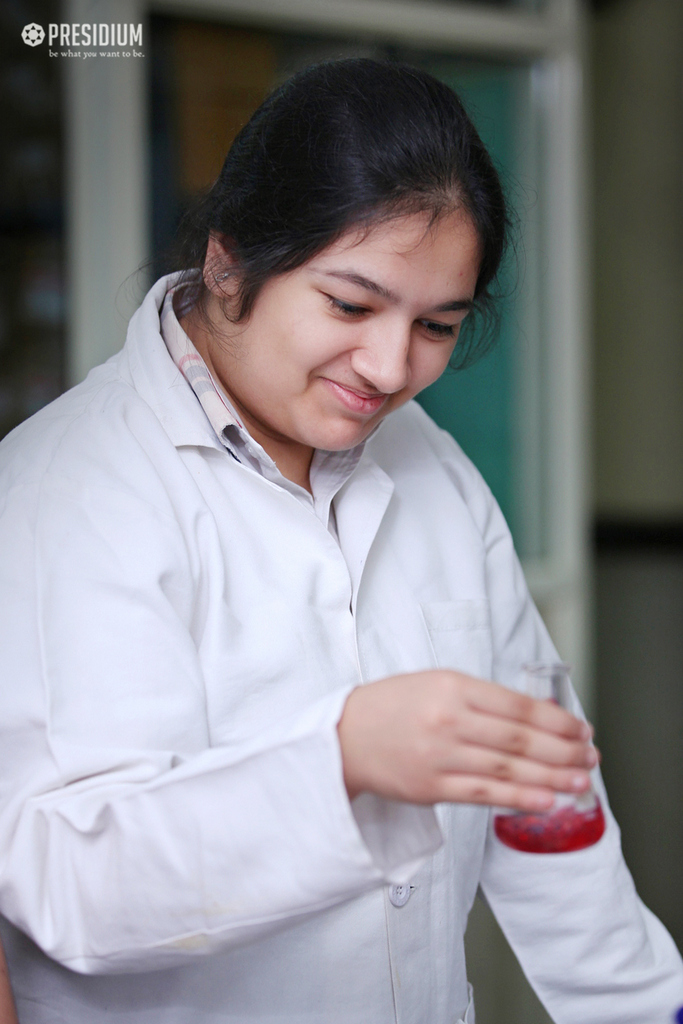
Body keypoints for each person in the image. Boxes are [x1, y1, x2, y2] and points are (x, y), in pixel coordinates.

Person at [0, 58, 680, 1024]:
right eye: (351, 306)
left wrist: (642, 1006)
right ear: (231, 261)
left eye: (437, 324)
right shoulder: (68, 491)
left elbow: (541, 791)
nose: (390, 366)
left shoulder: (426, 461)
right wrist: (342, 761)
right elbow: (63, 882)